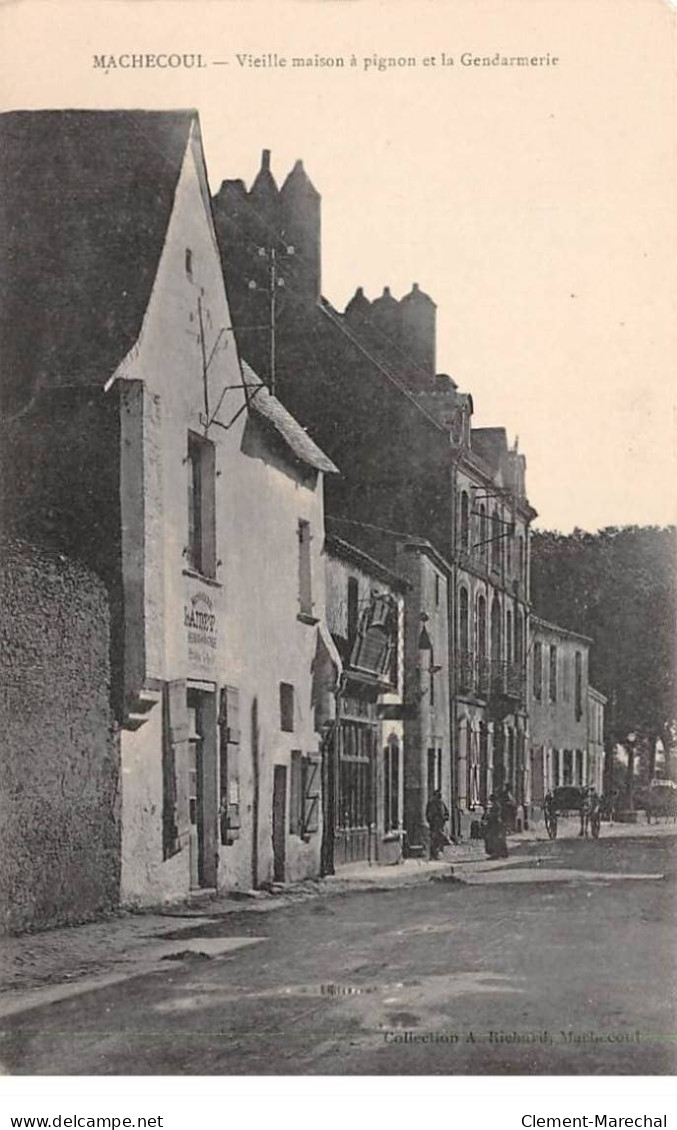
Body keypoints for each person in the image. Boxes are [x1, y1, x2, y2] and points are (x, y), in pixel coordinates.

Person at [482, 793, 509, 859]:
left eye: (491, 800)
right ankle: (501, 853)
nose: (491, 801)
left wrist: (488, 816)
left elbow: (495, 815)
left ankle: (496, 854)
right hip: (495, 823)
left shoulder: (496, 806)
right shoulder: (496, 805)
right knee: (496, 838)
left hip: (496, 823)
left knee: (494, 839)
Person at [425, 789, 450, 860]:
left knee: (440, 839)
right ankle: (432, 854)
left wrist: (445, 818)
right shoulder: (431, 804)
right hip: (434, 825)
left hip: (441, 825)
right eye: (437, 795)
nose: (439, 797)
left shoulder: (442, 804)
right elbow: (428, 814)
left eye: (439, 795)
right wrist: (430, 820)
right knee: (433, 839)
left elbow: (447, 813)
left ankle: (438, 853)